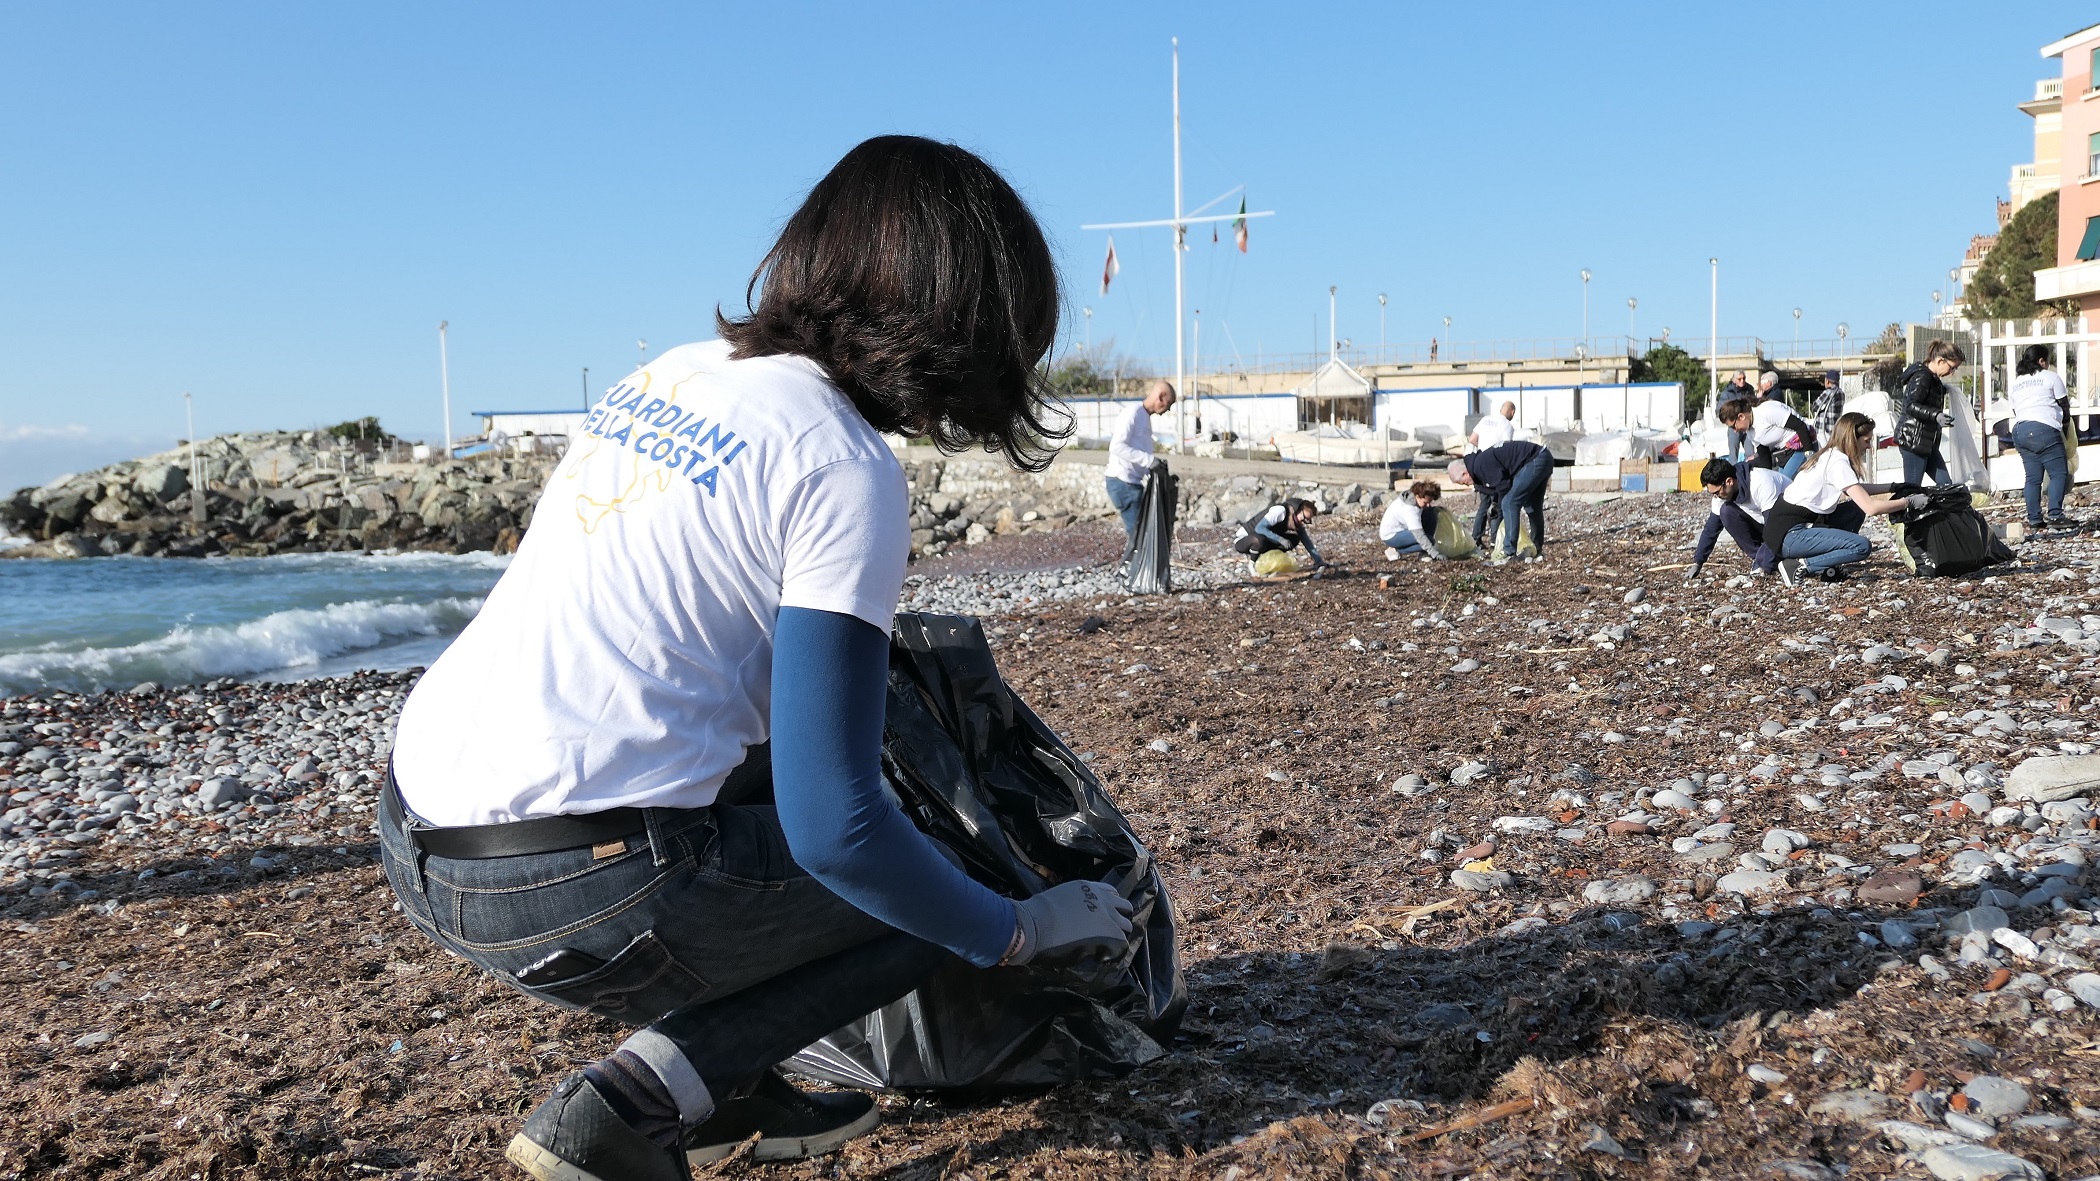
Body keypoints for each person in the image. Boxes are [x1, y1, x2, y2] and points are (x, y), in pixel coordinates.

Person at [378, 138, 1136, 1181]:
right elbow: (841, 833)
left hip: (418, 829)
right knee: (930, 891)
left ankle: (732, 1081)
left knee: (766, 779)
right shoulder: (843, 464)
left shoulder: (677, 371)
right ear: (970, 320)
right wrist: (1015, 926)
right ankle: (633, 1102)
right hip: (568, 887)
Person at [1765, 411, 1927, 586]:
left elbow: (1855, 490)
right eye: (1866, 441)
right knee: (1861, 547)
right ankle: (1799, 566)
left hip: (1793, 526)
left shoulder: (1830, 454)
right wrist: (1908, 503)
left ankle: (1830, 567)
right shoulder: (1837, 463)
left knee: (1854, 510)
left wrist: (1894, 487)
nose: (1869, 446)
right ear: (1852, 439)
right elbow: (1871, 508)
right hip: (1789, 536)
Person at [1448, 438, 1553, 563]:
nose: (1466, 485)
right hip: (1544, 457)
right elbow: (1500, 485)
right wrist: (1495, 504)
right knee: (1532, 507)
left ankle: (1509, 551)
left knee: (1509, 503)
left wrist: (1498, 505)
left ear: (1465, 474)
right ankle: (1537, 548)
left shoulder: (1480, 466)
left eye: (1463, 483)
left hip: (1534, 460)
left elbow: (1505, 486)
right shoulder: (1479, 463)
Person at [1684, 456, 1789, 579]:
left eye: (1717, 493)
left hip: (1790, 524)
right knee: (1726, 511)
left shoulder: (1761, 482)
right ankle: (1759, 558)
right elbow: (1711, 529)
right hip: (1766, 526)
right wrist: (1698, 562)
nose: (1716, 497)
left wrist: (1766, 565)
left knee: (1774, 533)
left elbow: (1774, 525)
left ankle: (1767, 561)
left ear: (1729, 481)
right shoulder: (1722, 495)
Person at [2008, 344, 2074, 529]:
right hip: (2044, 429)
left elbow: (2015, 409)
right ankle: (2055, 515)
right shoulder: (2051, 377)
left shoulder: (2016, 382)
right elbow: (2064, 406)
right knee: (2058, 473)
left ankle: (2035, 518)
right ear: (2042, 361)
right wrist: (2066, 428)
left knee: (2032, 478)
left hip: (2020, 430)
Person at [1105, 381, 1175, 540]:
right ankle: (1138, 564)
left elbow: (1138, 450)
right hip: (1123, 481)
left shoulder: (1144, 416)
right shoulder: (1132, 413)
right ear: (1160, 397)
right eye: (1169, 403)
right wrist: (1149, 461)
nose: (1169, 409)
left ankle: (1141, 562)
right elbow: (1116, 446)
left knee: (1141, 532)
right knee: (1139, 536)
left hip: (1132, 482)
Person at [1891, 340, 1965, 486]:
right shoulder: (1922, 377)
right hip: (1913, 441)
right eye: (1952, 368)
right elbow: (1911, 405)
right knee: (1913, 489)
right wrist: (1936, 415)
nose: (1952, 372)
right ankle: (1901, 509)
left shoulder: (1933, 379)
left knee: (1946, 486)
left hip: (1926, 442)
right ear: (1940, 361)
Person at [1718, 394, 1817, 478]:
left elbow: (1801, 426)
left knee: (1785, 483)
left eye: (1733, 426)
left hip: (1803, 444)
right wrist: (1766, 478)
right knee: (1777, 482)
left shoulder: (1766, 411)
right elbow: (1765, 457)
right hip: (1784, 453)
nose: (1735, 431)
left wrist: (1810, 455)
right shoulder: (1750, 432)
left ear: (1741, 416)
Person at [1233, 497, 1326, 570]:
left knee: (1293, 539)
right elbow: (1259, 528)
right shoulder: (1280, 511)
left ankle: (1270, 563)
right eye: (1304, 517)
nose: (1303, 521)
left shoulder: (1297, 522)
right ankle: (1252, 566)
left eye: (1307, 520)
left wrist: (1319, 561)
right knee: (1260, 540)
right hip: (1245, 540)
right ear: (1297, 510)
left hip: (1264, 540)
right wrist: (1280, 539)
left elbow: (1306, 541)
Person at [1381, 479, 1452, 560]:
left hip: (1403, 529)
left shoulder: (1415, 499)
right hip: (1391, 535)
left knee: (1431, 513)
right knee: (1429, 541)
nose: (1428, 505)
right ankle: (1396, 550)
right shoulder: (1410, 509)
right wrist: (1435, 554)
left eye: (1430, 502)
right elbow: (1419, 535)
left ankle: (1425, 551)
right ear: (1418, 496)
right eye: (1425, 502)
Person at [1719, 371, 1755, 459]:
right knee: (1733, 453)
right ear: (1734, 380)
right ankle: (1733, 471)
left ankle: (1749, 469)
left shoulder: (1750, 390)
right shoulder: (1727, 393)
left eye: (1744, 378)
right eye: (1739, 379)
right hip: (1734, 425)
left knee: (1750, 452)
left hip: (1747, 425)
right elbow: (1720, 410)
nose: (1742, 381)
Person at [1813, 369, 1845, 442]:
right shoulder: (1841, 393)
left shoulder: (1828, 392)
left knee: (1822, 452)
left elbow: (1815, 407)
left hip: (1824, 432)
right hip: (1835, 431)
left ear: (1827, 381)